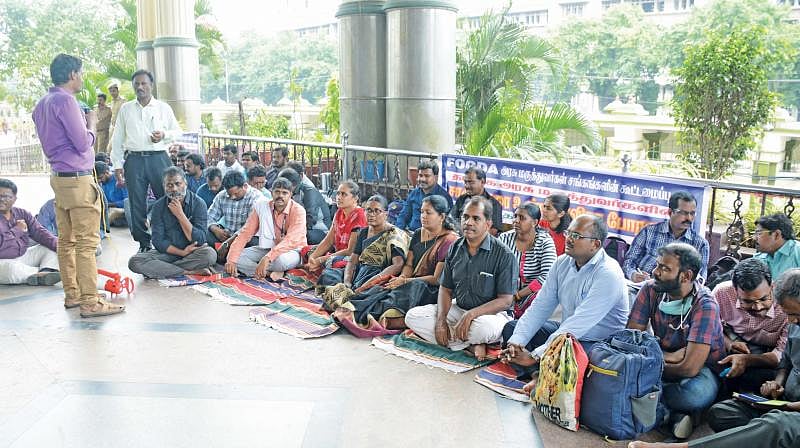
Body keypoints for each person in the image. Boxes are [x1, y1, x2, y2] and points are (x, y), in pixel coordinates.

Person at [627, 269, 800, 448]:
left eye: (796, 315)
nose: (791, 320)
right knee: (721, 412)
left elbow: (689, 367)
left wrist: (785, 407)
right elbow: (785, 363)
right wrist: (777, 384)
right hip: (784, 399)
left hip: (792, 408)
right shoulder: (795, 325)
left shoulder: (704, 302)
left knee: (776, 423)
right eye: (789, 315)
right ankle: (762, 433)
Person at [31, 54, 123, 317]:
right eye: (80, 73)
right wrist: (91, 123)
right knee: (86, 243)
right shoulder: (66, 101)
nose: (82, 78)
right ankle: (90, 301)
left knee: (67, 240)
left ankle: (73, 294)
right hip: (78, 179)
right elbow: (83, 143)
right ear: (72, 74)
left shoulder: (42, 104)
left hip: (59, 177)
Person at [501, 214, 628, 376]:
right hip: (566, 332)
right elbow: (540, 306)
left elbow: (579, 324)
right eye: (569, 233)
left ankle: (539, 373)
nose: (568, 239)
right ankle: (537, 375)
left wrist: (535, 355)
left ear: (595, 244)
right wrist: (516, 343)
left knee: (569, 357)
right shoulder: (562, 262)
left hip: (596, 343)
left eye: (576, 236)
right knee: (512, 329)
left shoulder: (608, 273)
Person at [627, 243, 725, 439]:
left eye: (665, 268)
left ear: (686, 276)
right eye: (657, 265)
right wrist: (668, 357)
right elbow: (631, 341)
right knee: (625, 369)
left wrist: (647, 364)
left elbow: (690, 368)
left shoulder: (705, 304)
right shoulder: (650, 289)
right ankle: (672, 417)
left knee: (693, 395)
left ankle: (651, 407)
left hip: (702, 372)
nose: (655, 272)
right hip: (663, 363)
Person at [405, 196, 516, 360]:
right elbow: (445, 288)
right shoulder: (455, 248)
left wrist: (471, 315)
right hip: (460, 308)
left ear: (488, 224)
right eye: (465, 217)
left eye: (476, 218)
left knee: (482, 329)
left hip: (492, 315)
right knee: (413, 316)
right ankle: (470, 345)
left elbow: (506, 301)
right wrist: (441, 320)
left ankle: (464, 340)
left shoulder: (503, 254)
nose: (468, 222)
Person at [334, 195, 459, 331]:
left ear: (441, 217)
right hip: (411, 280)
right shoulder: (418, 233)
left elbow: (436, 279)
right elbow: (409, 265)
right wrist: (402, 278)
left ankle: (363, 315)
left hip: (430, 288)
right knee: (383, 286)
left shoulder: (449, 241)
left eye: (428, 213)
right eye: (422, 212)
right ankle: (353, 310)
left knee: (410, 288)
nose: (423, 216)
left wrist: (406, 281)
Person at [110, 69, 181, 253]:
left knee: (167, 198)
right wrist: (117, 164)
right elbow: (117, 139)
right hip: (134, 160)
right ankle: (144, 242)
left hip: (159, 158)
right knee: (136, 203)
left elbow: (177, 131)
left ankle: (171, 238)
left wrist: (164, 135)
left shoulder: (163, 108)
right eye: (137, 84)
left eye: (144, 83)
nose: (140, 87)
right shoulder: (126, 109)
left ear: (151, 85)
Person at [714, 258, 788, 393]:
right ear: (735, 291)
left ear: (772, 287)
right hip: (730, 342)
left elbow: (780, 355)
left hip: (767, 356)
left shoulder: (786, 303)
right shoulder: (722, 293)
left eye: (764, 299)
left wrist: (747, 360)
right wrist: (730, 343)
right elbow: (712, 328)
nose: (758, 307)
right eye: (747, 301)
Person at [128, 167, 216, 279]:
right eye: (169, 185)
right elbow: (158, 241)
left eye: (178, 184)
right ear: (164, 187)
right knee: (135, 261)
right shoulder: (159, 206)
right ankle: (188, 272)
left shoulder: (199, 203)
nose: (174, 189)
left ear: (185, 183)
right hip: (168, 253)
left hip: (193, 253)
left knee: (210, 255)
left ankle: (162, 269)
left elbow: (200, 239)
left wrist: (180, 215)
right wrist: (182, 253)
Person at [319, 195, 408, 293]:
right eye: (368, 210)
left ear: (386, 214)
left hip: (379, 276)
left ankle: (349, 296)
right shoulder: (364, 232)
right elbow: (353, 260)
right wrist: (347, 282)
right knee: (329, 275)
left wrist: (368, 284)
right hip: (360, 271)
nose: (371, 214)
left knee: (374, 293)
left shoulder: (393, 235)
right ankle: (347, 293)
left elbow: (398, 265)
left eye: (377, 211)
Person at [224, 177, 306, 280]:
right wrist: (231, 260)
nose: (280, 196)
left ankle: (266, 269)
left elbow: (291, 240)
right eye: (277, 192)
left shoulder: (298, 211)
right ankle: (268, 273)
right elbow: (245, 233)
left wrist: (268, 258)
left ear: (290, 195)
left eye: (284, 193)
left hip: (293, 250)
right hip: (269, 247)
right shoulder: (262, 207)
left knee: (281, 261)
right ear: (271, 193)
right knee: (237, 257)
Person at [623, 191, 710, 283]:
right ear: (670, 212)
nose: (689, 218)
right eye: (683, 213)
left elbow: (700, 279)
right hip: (641, 287)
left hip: (675, 293)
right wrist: (633, 275)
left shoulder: (700, 244)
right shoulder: (648, 232)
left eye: (692, 213)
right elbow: (629, 261)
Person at [498, 202, 557, 318]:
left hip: (532, 297)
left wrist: (518, 295)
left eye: (522, 218)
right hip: (504, 293)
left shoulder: (545, 242)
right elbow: (494, 267)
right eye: (515, 216)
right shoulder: (504, 238)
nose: (516, 221)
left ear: (535, 223)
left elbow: (547, 276)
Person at [0, 178, 60, 285]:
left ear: (14, 199)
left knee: (48, 248)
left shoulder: (22, 213)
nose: (1, 199)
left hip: (22, 256)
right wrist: (18, 230)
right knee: (11, 270)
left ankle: (44, 273)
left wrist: (63, 248)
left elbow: (41, 233)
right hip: (3, 262)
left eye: (6, 196)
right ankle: (46, 273)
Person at [306, 181, 366, 276]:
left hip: (352, 258)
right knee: (306, 250)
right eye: (338, 193)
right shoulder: (339, 212)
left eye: (344, 194)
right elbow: (328, 240)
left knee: (333, 263)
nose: (339, 197)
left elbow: (351, 251)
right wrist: (313, 257)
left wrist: (321, 259)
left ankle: (321, 269)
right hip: (337, 253)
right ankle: (317, 266)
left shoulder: (359, 216)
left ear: (355, 198)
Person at [206, 171, 263, 251]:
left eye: (236, 193)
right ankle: (225, 252)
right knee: (205, 232)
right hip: (226, 236)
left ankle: (226, 253)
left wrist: (228, 243)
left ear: (245, 186)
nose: (232, 197)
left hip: (245, 238)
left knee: (254, 242)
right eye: (229, 194)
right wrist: (215, 229)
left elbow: (250, 228)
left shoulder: (256, 198)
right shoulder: (221, 196)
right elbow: (208, 217)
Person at [395, 160, 453, 232]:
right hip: (411, 234)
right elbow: (403, 216)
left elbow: (447, 224)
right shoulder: (414, 193)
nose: (422, 179)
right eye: (420, 175)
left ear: (436, 177)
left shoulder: (444, 197)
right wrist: (398, 232)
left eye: (427, 176)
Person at [278, 167, 331, 245]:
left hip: (319, 230)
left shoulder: (309, 192)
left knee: (304, 237)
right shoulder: (288, 193)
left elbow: (311, 219)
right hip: (298, 228)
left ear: (292, 184)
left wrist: (293, 232)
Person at [450, 167, 503, 235]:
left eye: (471, 182)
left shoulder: (494, 204)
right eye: (465, 182)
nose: (467, 186)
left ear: (482, 182)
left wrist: (472, 237)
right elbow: (451, 221)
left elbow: (493, 231)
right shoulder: (461, 199)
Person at [753, 213, 800, 279]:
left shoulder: (797, 252)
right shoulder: (759, 258)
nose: (754, 238)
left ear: (776, 234)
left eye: (759, 233)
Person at [96, 161, 127, 227]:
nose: (99, 180)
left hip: (123, 211)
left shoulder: (120, 181)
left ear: (107, 172)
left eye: (100, 177)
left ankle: (101, 230)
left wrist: (111, 204)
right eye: (97, 179)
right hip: (108, 210)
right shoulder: (102, 184)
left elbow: (128, 202)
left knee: (113, 212)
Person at [105, 83, 125, 152]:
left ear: (118, 91)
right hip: (112, 127)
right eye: (110, 91)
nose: (112, 93)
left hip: (121, 127)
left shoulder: (123, 101)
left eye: (113, 91)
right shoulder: (111, 102)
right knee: (111, 148)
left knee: (113, 147)